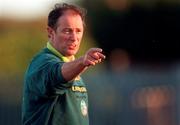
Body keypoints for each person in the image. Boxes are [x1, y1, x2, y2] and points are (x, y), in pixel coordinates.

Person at [22, 3, 105, 125]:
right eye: (67, 31)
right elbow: (56, 74)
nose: (74, 37)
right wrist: (82, 62)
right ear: (50, 32)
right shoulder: (41, 63)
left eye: (78, 31)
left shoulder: (73, 66)